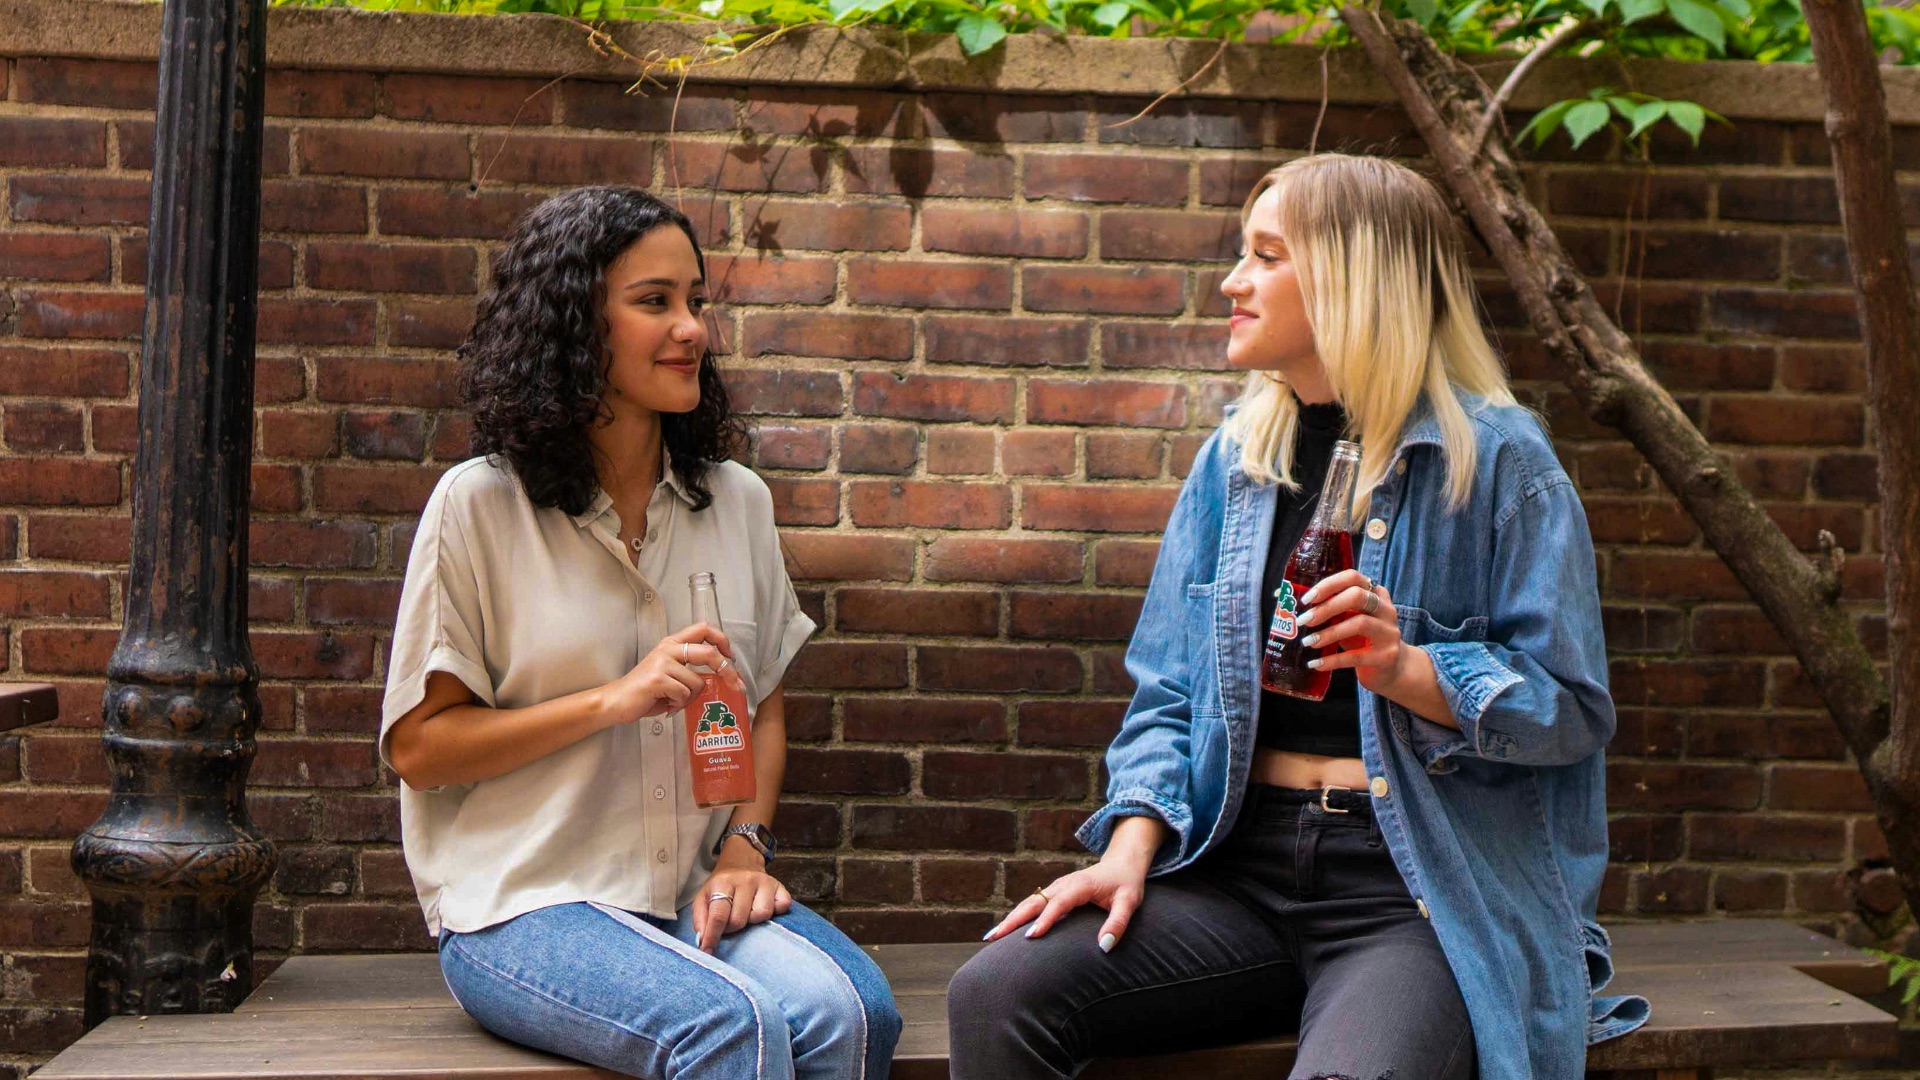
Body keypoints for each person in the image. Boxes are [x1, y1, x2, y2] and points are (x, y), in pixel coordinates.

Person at [946, 153, 1648, 1080]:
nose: (1233, 283)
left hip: (1419, 895)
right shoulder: (1237, 462)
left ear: (1355, 280)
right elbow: (1168, 694)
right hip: (1237, 868)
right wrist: (1128, 850)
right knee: (995, 993)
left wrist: (1410, 668)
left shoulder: (1499, 465)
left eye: (1266, 256)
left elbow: (1571, 709)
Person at [379, 186, 901, 1080]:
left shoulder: (736, 501)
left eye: (695, 300)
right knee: (731, 1027)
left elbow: (763, 705)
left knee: (851, 1014)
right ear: (575, 325)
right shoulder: (478, 507)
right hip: (524, 905)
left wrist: (747, 847)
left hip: (689, 891)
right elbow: (422, 749)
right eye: (654, 302)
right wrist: (612, 700)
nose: (692, 327)